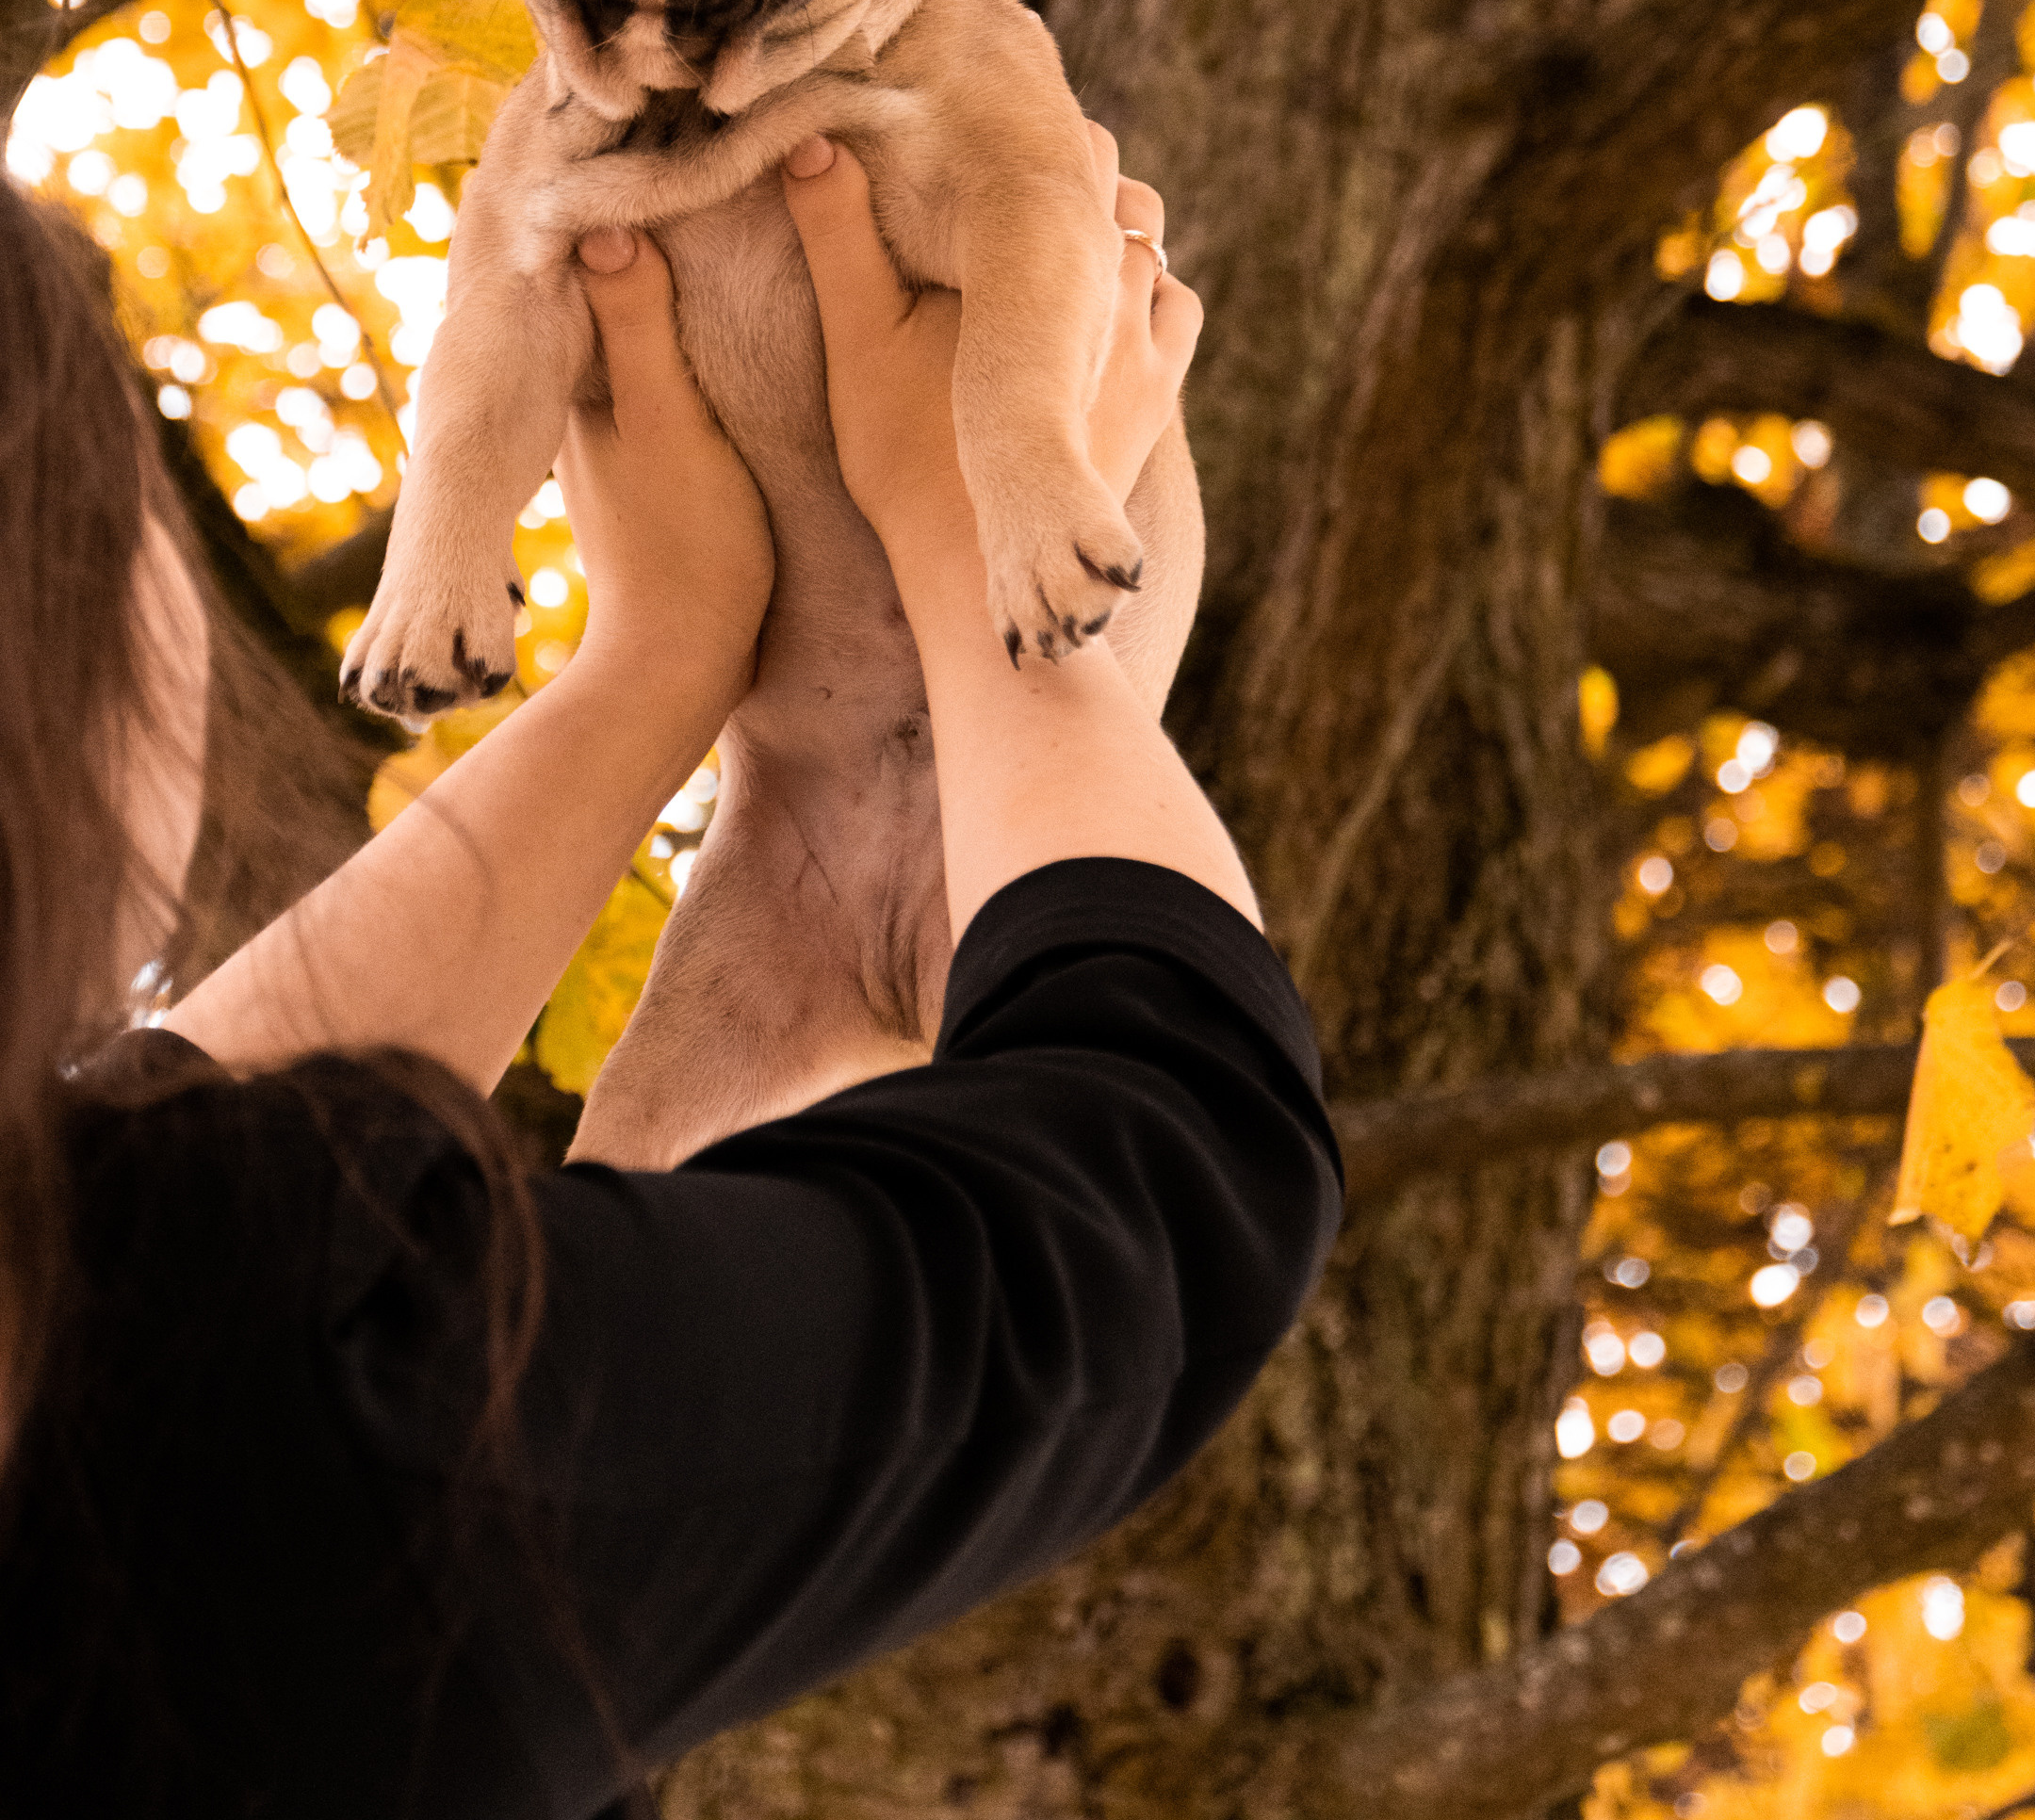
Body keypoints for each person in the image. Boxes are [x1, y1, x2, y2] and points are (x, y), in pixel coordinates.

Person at [0, 128, 1343, 1818]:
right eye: (124, 490)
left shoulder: (180, 1362)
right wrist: (979, 551)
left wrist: (658, 660)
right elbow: (1170, 1184)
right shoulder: (237, 1432)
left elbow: (166, 1205)